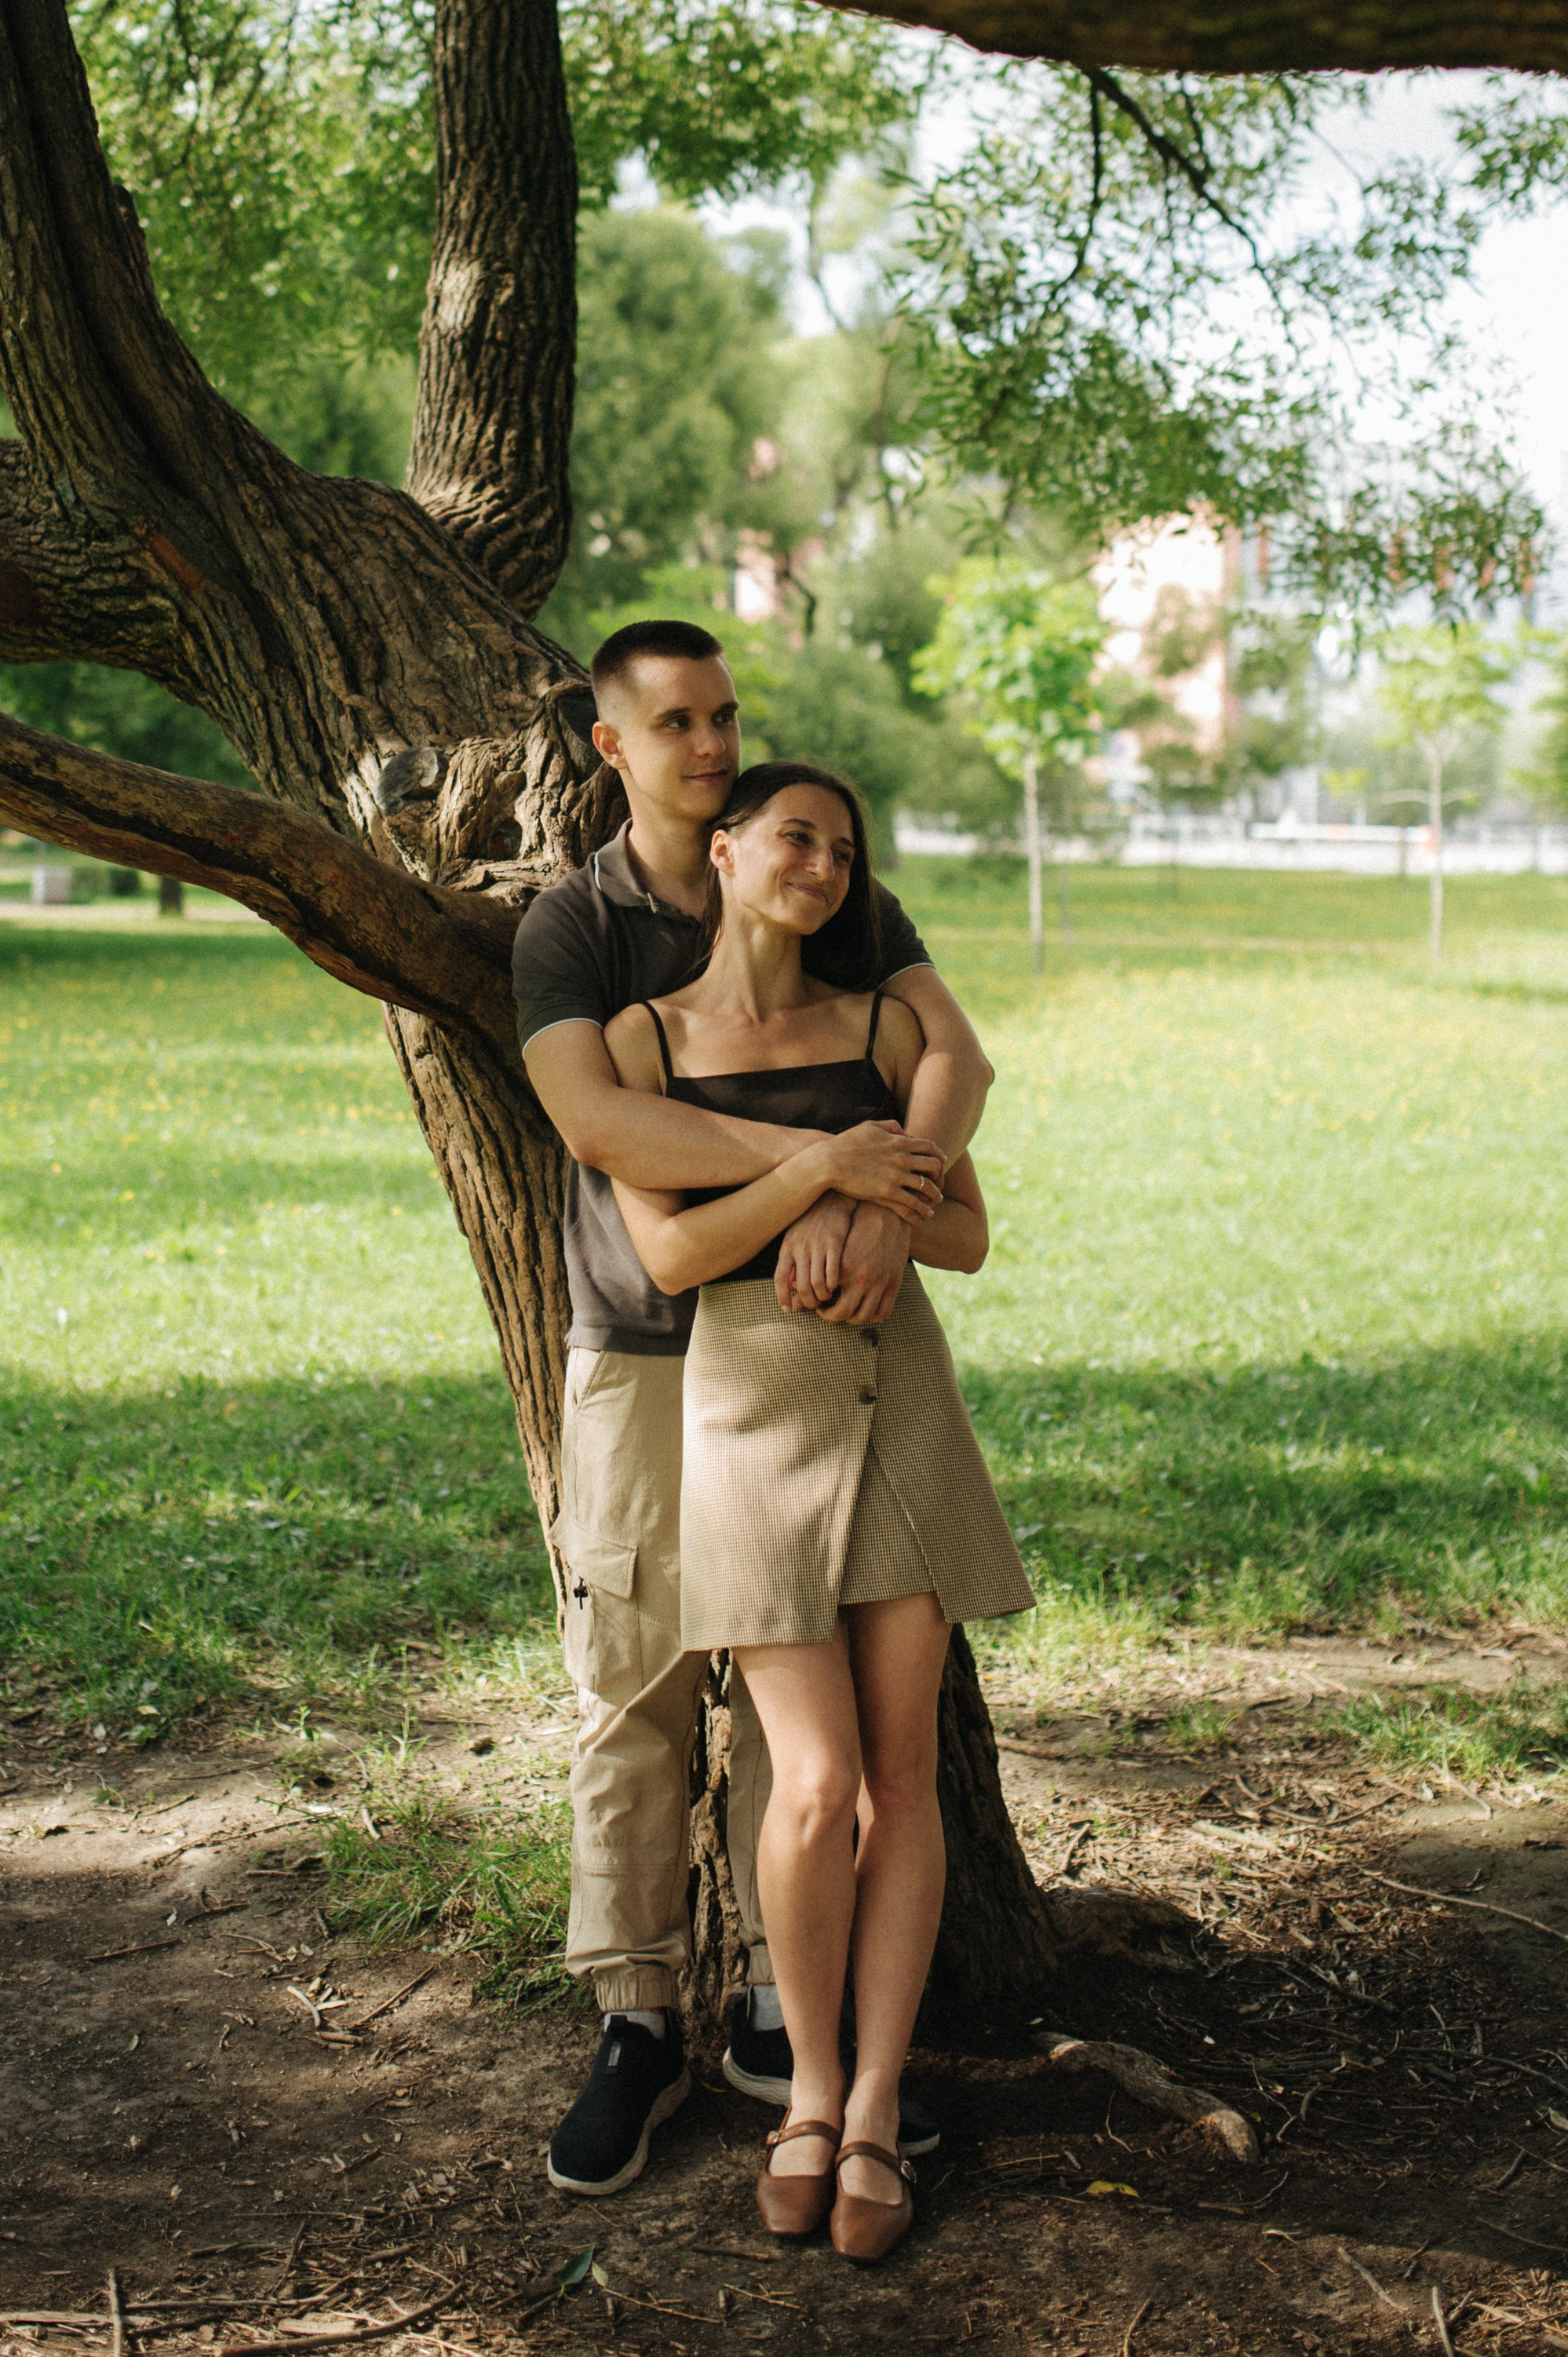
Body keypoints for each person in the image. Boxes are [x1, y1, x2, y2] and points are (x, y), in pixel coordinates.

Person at [513, 620, 995, 2196]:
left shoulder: (829, 883)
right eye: (677, 721)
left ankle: (797, 2029)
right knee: (639, 1677)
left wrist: (882, 1193)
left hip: (837, 1354)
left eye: (724, 713)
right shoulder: (576, 927)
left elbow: (949, 1064)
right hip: (642, 1344)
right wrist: (818, 1169)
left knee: (816, 1731)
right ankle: (637, 2013)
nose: (711, 738)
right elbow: (596, 1116)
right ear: (615, 745)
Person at [604, 757, 1032, 2261]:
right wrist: (820, 1177)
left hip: (895, 1391)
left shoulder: (889, 1029)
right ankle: (804, 2092)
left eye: (846, 851)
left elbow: (968, 1233)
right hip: (746, 1405)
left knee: (901, 1782)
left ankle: (869, 2113)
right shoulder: (640, 1039)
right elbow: (668, 1259)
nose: (825, 867)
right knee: (808, 1783)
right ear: (722, 853)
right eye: (797, 838)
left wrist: (881, 1212)